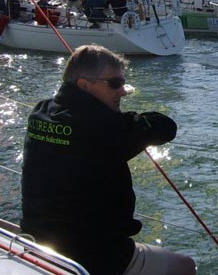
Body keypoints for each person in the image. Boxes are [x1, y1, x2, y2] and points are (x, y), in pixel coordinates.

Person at [20, 45, 196, 275]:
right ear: (84, 85)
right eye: (114, 84)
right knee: (184, 266)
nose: (122, 91)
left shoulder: (40, 112)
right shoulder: (103, 128)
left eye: (123, 83)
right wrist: (123, 119)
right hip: (93, 255)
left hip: (36, 241)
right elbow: (165, 127)